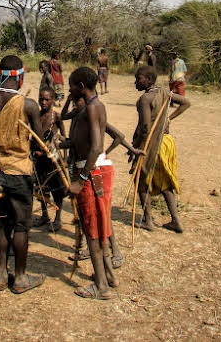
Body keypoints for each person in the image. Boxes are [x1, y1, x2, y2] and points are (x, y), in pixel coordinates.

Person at [0, 55, 46, 294]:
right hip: (19, 172)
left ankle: (2, 275)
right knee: (22, 225)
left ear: (0, 74)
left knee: (0, 223)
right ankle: (21, 278)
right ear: (20, 77)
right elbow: (40, 144)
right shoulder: (29, 105)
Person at [61, 94, 143, 269]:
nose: (75, 104)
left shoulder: (92, 116)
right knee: (89, 213)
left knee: (101, 212)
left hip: (93, 171)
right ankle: (95, 250)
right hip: (81, 168)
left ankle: (115, 252)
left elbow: (118, 135)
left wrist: (104, 153)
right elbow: (64, 118)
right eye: (74, 101)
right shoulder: (79, 117)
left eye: (78, 99)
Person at [67, 66, 116, 300]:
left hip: (91, 172)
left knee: (93, 231)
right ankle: (108, 276)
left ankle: (101, 286)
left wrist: (80, 180)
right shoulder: (88, 108)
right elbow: (82, 142)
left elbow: (96, 147)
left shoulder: (93, 108)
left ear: (81, 87)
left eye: (71, 85)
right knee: (97, 225)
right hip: (92, 170)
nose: (69, 89)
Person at [131, 65, 190, 233]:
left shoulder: (145, 100)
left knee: (141, 180)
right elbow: (186, 103)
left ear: (148, 80)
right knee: (164, 182)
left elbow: (145, 128)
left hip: (152, 144)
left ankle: (148, 220)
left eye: (138, 79)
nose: (135, 82)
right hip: (166, 143)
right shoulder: (164, 93)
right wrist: (168, 120)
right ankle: (176, 220)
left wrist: (136, 148)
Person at [32, 86, 66, 232]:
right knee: (41, 188)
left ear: (53, 100)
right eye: (41, 99)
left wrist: (64, 157)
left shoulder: (56, 117)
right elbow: (32, 136)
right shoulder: (36, 116)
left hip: (53, 159)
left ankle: (58, 218)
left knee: (57, 189)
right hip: (39, 159)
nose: (43, 102)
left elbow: (64, 137)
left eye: (47, 99)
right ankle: (44, 215)